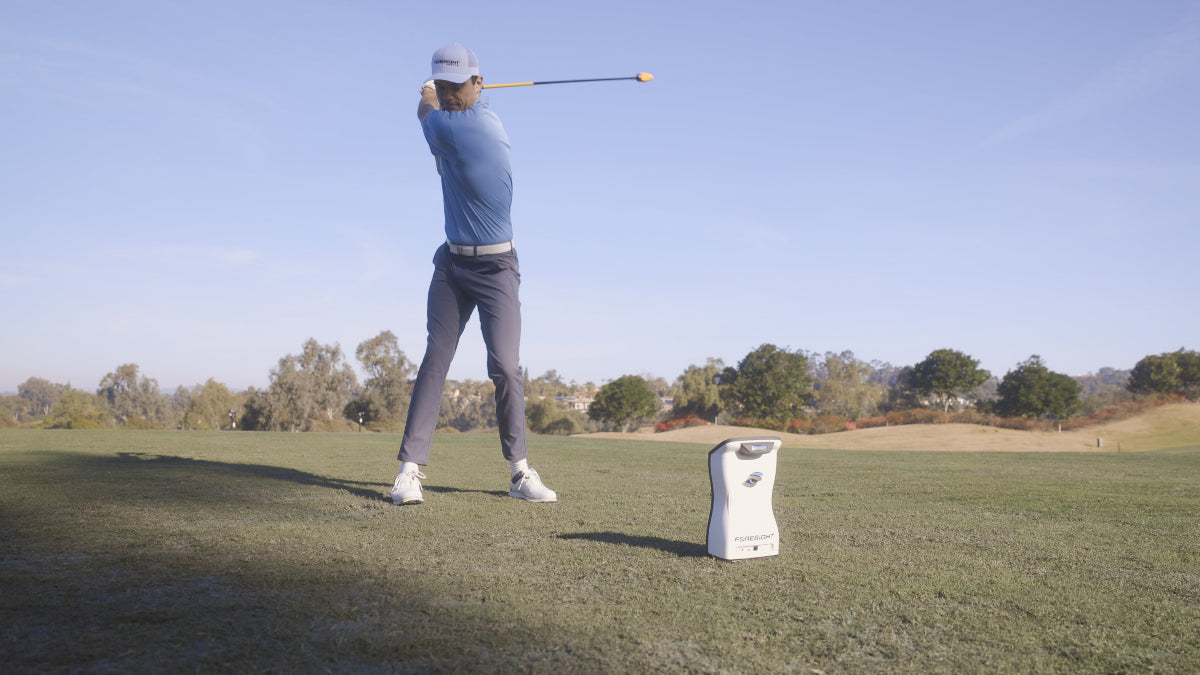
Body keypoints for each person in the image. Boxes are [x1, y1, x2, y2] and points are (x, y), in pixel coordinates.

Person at [391, 43, 556, 506]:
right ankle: (408, 472)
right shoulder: (456, 118)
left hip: (496, 267)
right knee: (435, 358)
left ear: (478, 83)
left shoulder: (476, 126)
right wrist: (439, 91)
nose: (447, 94)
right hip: (452, 263)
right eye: (442, 85)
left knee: (504, 366)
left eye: (455, 86)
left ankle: (519, 473)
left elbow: (424, 111)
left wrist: (426, 91)